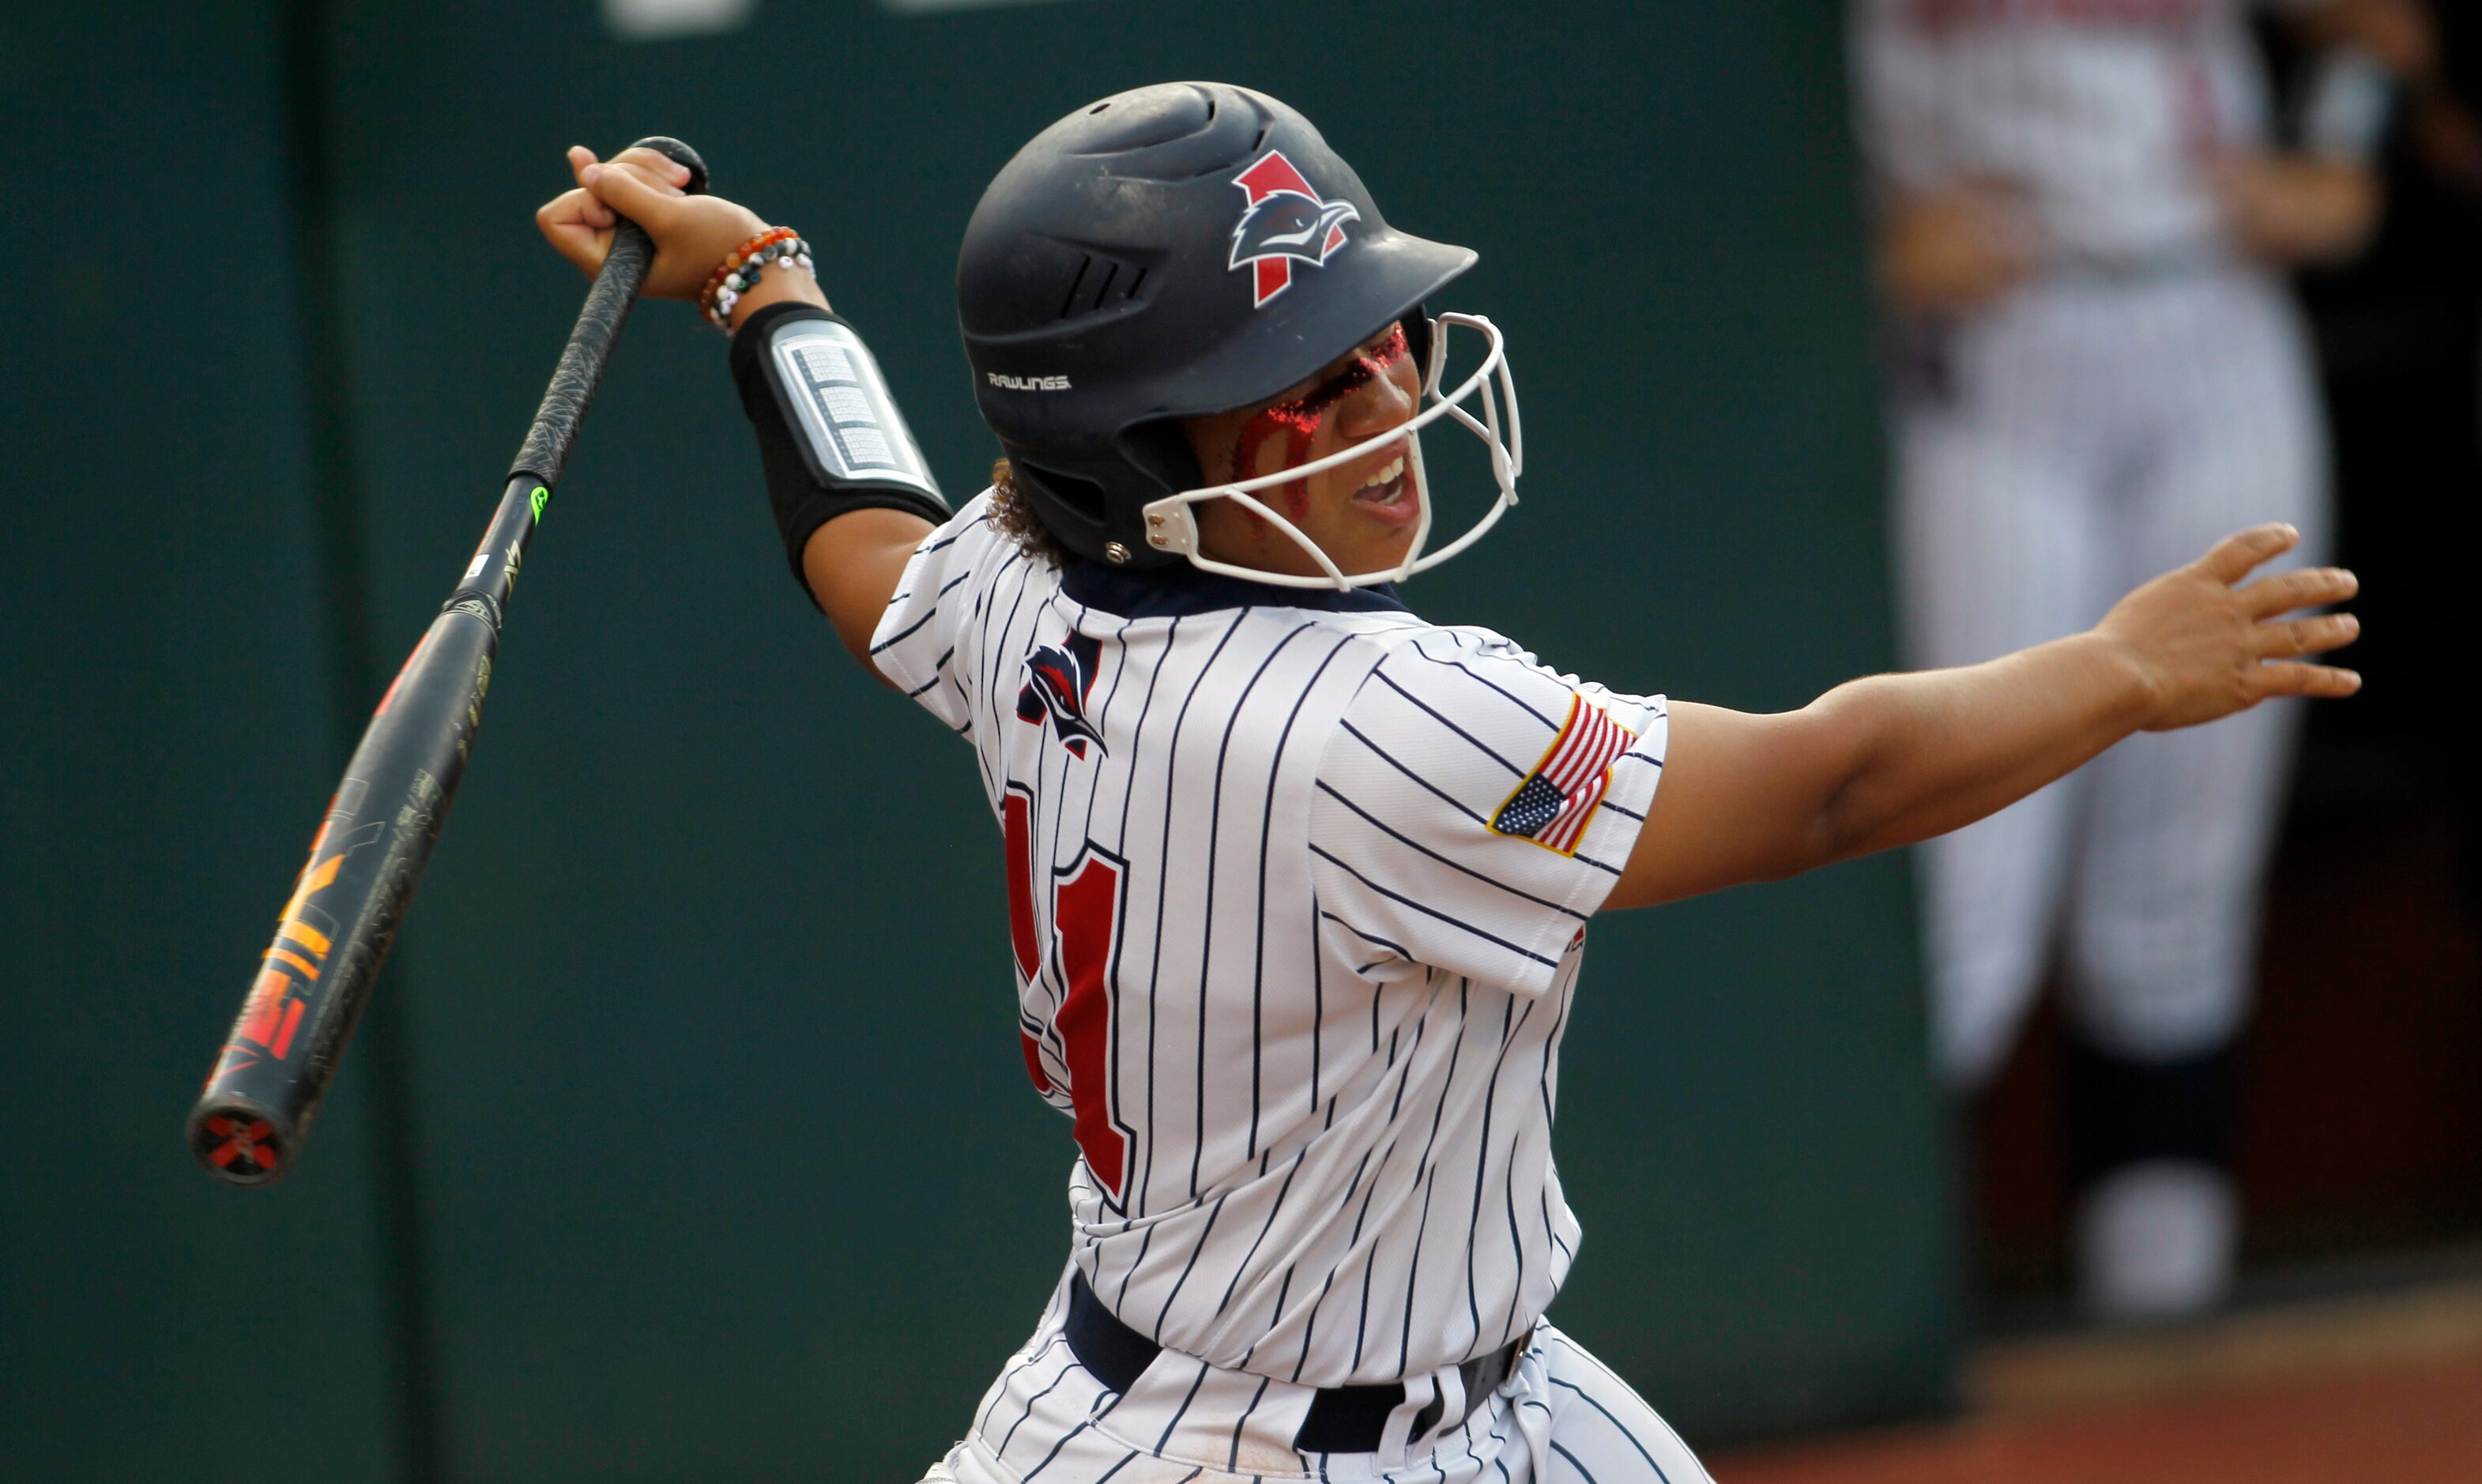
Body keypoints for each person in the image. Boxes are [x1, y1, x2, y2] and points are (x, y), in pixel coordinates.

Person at [537, 82, 2359, 1483]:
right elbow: (1828, 787)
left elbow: (859, 530)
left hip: (1496, 1399)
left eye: (1374, 335)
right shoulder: (1376, 719)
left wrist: (764, 294)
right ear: (1132, 454)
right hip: (1223, 1449)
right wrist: (2115, 669)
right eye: (1298, 386)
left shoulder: (1021, 590)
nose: (1387, 395)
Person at [1851, 0, 2420, 1320]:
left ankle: (2162, 1352)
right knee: (1964, 905)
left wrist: (2336, 158)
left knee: (2173, 900)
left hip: (2209, 322)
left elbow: (2375, 33)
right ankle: (1886, 1346)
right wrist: (1851, 236)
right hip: (1992, 355)